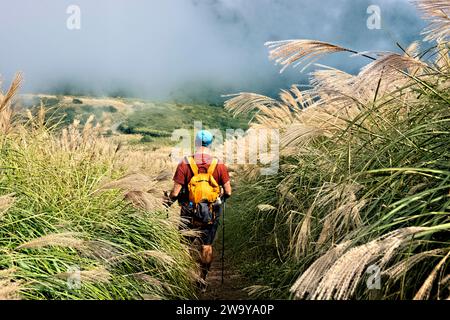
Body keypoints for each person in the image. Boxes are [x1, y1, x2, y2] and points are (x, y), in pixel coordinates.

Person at [164, 130, 232, 292]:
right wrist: (220, 200)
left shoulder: (185, 163)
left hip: (188, 211)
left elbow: (174, 193)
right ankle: (202, 279)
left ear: (195, 143)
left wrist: (168, 203)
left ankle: (188, 276)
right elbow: (228, 191)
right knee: (206, 245)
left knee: (185, 245)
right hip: (211, 211)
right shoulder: (219, 164)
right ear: (210, 144)